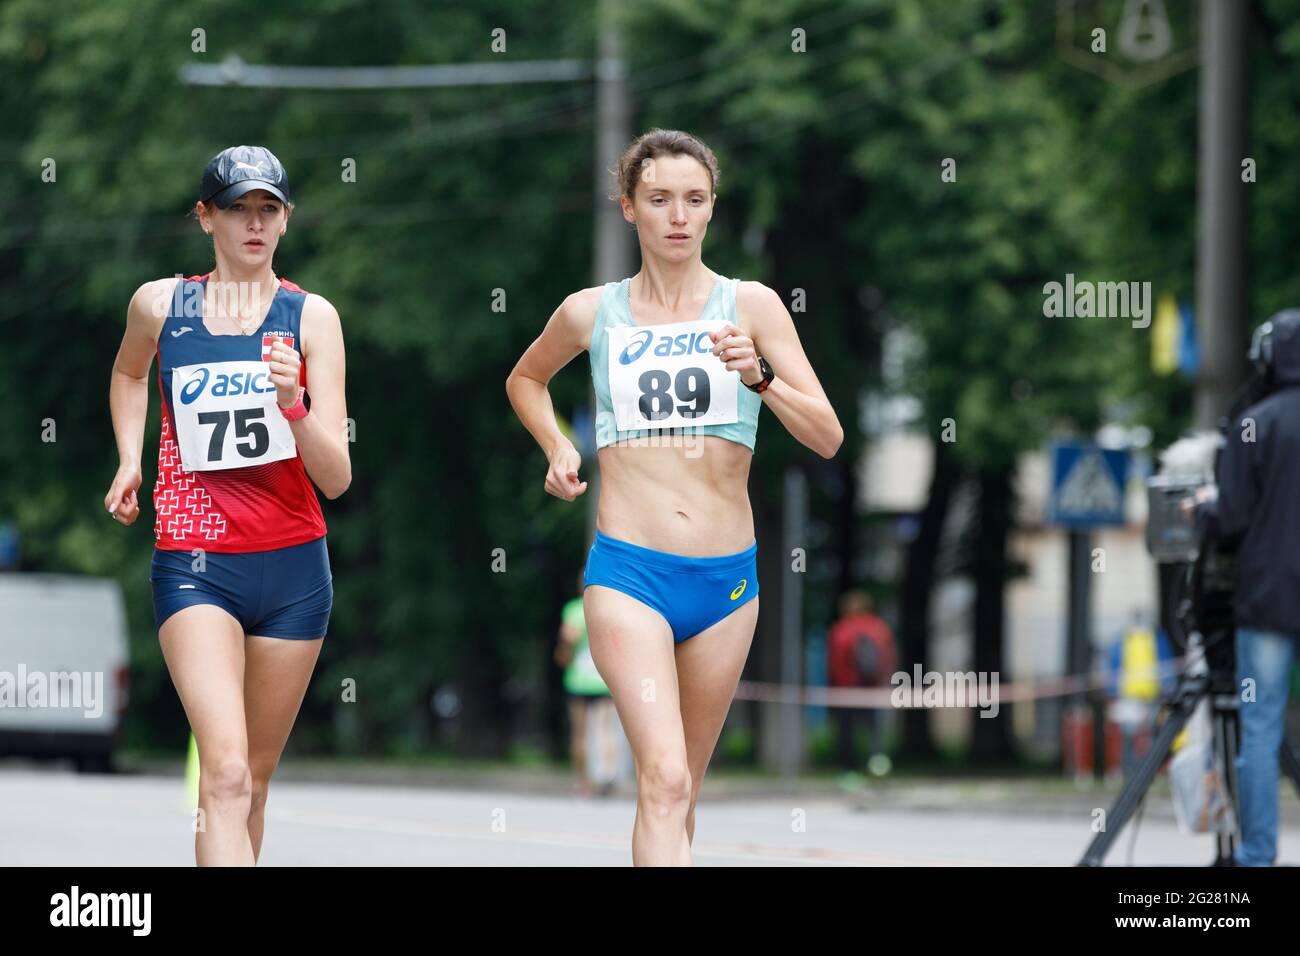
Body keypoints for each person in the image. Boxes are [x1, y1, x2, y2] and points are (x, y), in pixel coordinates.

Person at [506, 128, 842, 865]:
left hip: (726, 581)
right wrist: (560, 446)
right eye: (659, 199)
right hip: (629, 572)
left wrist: (761, 378)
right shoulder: (591, 313)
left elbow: (827, 435)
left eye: (694, 200)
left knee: (681, 789)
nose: (678, 215)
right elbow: (525, 379)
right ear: (628, 207)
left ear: (713, 209)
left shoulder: (749, 306)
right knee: (659, 780)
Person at [104, 145, 351, 866]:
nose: (254, 223)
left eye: (267, 209)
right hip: (196, 563)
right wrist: (130, 458)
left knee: (257, 782)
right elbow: (127, 372)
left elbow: (335, 477)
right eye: (237, 208)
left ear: (286, 220)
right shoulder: (160, 304)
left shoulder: (312, 319)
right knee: (227, 773)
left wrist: (294, 405)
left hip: (295, 573)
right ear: (205, 217)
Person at [1189, 309, 1300, 866]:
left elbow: (1230, 520)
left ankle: (1258, 856)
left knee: (1259, 729)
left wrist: (1201, 513)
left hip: (1268, 601)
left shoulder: (1255, 422)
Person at [555, 571, 619, 796]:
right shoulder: (610, 607)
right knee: (605, 729)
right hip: (603, 680)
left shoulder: (574, 609)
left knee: (580, 733)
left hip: (578, 681)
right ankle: (607, 774)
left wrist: (563, 651)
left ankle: (584, 781)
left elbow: (567, 641)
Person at [826, 590, 897, 779]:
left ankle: (849, 772)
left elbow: (835, 663)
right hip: (873, 688)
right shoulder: (880, 628)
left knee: (847, 731)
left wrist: (839, 685)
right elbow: (889, 657)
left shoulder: (840, 629)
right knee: (875, 728)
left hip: (847, 689)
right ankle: (878, 764)